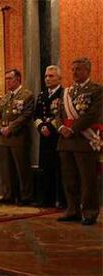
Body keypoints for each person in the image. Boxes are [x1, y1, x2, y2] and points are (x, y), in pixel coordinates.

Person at [53, 57, 102, 226]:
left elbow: (93, 114)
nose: (74, 72)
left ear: (88, 71)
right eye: (73, 69)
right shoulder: (67, 92)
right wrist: (60, 128)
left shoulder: (96, 90)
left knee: (87, 179)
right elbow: (58, 114)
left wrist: (72, 129)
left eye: (78, 69)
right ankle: (72, 209)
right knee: (69, 178)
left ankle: (89, 212)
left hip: (83, 140)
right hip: (65, 141)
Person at [0, 69, 34, 205]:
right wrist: (0, 128)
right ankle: (8, 194)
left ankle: (25, 196)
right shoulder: (5, 97)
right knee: (6, 169)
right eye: (6, 79)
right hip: (4, 137)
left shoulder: (27, 95)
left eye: (10, 78)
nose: (7, 81)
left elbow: (26, 115)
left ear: (18, 79)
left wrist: (10, 128)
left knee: (21, 169)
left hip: (18, 137)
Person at [33, 65, 65, 208]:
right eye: (46, 76)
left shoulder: (63, 94)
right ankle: (46, 199)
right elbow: (36, 115)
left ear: (59, 78)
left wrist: (50, 127)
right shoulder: (42, 95)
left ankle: (61, 200)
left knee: (60, 168)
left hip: (58, 135)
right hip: (44, 135)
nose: (47, 79)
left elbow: (61, 115)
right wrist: (41, 126)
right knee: (45, 167)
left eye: (51, 76)